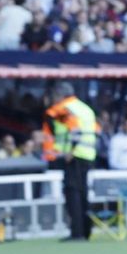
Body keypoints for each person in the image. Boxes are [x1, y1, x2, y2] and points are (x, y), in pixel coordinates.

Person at [44, 81, 98, 242]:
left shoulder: (66, 108)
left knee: (72, 193)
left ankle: (77, 232)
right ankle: (86, 230)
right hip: (87, 154)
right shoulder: (85, 108)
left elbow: (74, 129)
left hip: (74, 156)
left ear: (60, 95)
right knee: (83, 193)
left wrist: (70, 151)